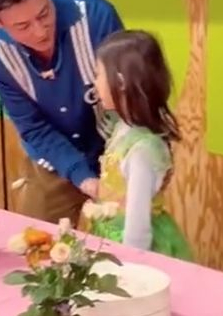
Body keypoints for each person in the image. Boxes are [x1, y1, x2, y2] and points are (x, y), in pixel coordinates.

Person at [0, 0, 123, 227]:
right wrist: (82, 176)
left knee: (123, 244)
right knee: (36, 242)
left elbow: (129, 95)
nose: (40, 31)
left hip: (115, 149)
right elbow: (33, 128)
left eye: (44, 13)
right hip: (53, 158)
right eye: (22, 26)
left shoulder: (95, 17)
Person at [82, 29, 192, 260]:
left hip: (132, 253)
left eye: (98, 74)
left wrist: (129, 268)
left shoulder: (142, 151)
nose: (95, 83)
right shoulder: (122, 127)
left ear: (120, 82)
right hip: (111, 240)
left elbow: (137, 231)